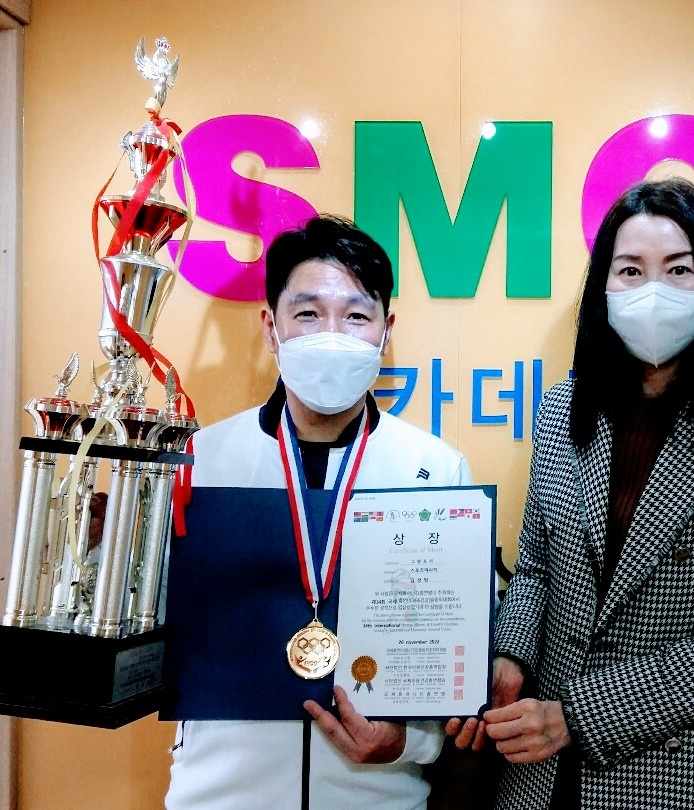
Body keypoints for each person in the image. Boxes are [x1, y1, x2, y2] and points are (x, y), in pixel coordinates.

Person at [450, 178, 694, 809]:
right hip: (543, 773)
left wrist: (578, 716)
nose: (653, 290)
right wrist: (509, 659)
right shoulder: (563, 408)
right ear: (604, 288)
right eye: (630, 270)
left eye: (679, 270)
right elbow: (536, 566)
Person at [165, 215, 471, 809]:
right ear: (271, 327)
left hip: (378, 798)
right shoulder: (198, 461)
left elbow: (449, 652)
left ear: (386, 331)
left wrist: (407, 744)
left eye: (356, 316)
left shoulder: (434, 470)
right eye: (307, 313)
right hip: (218, 794)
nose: (332, 334)